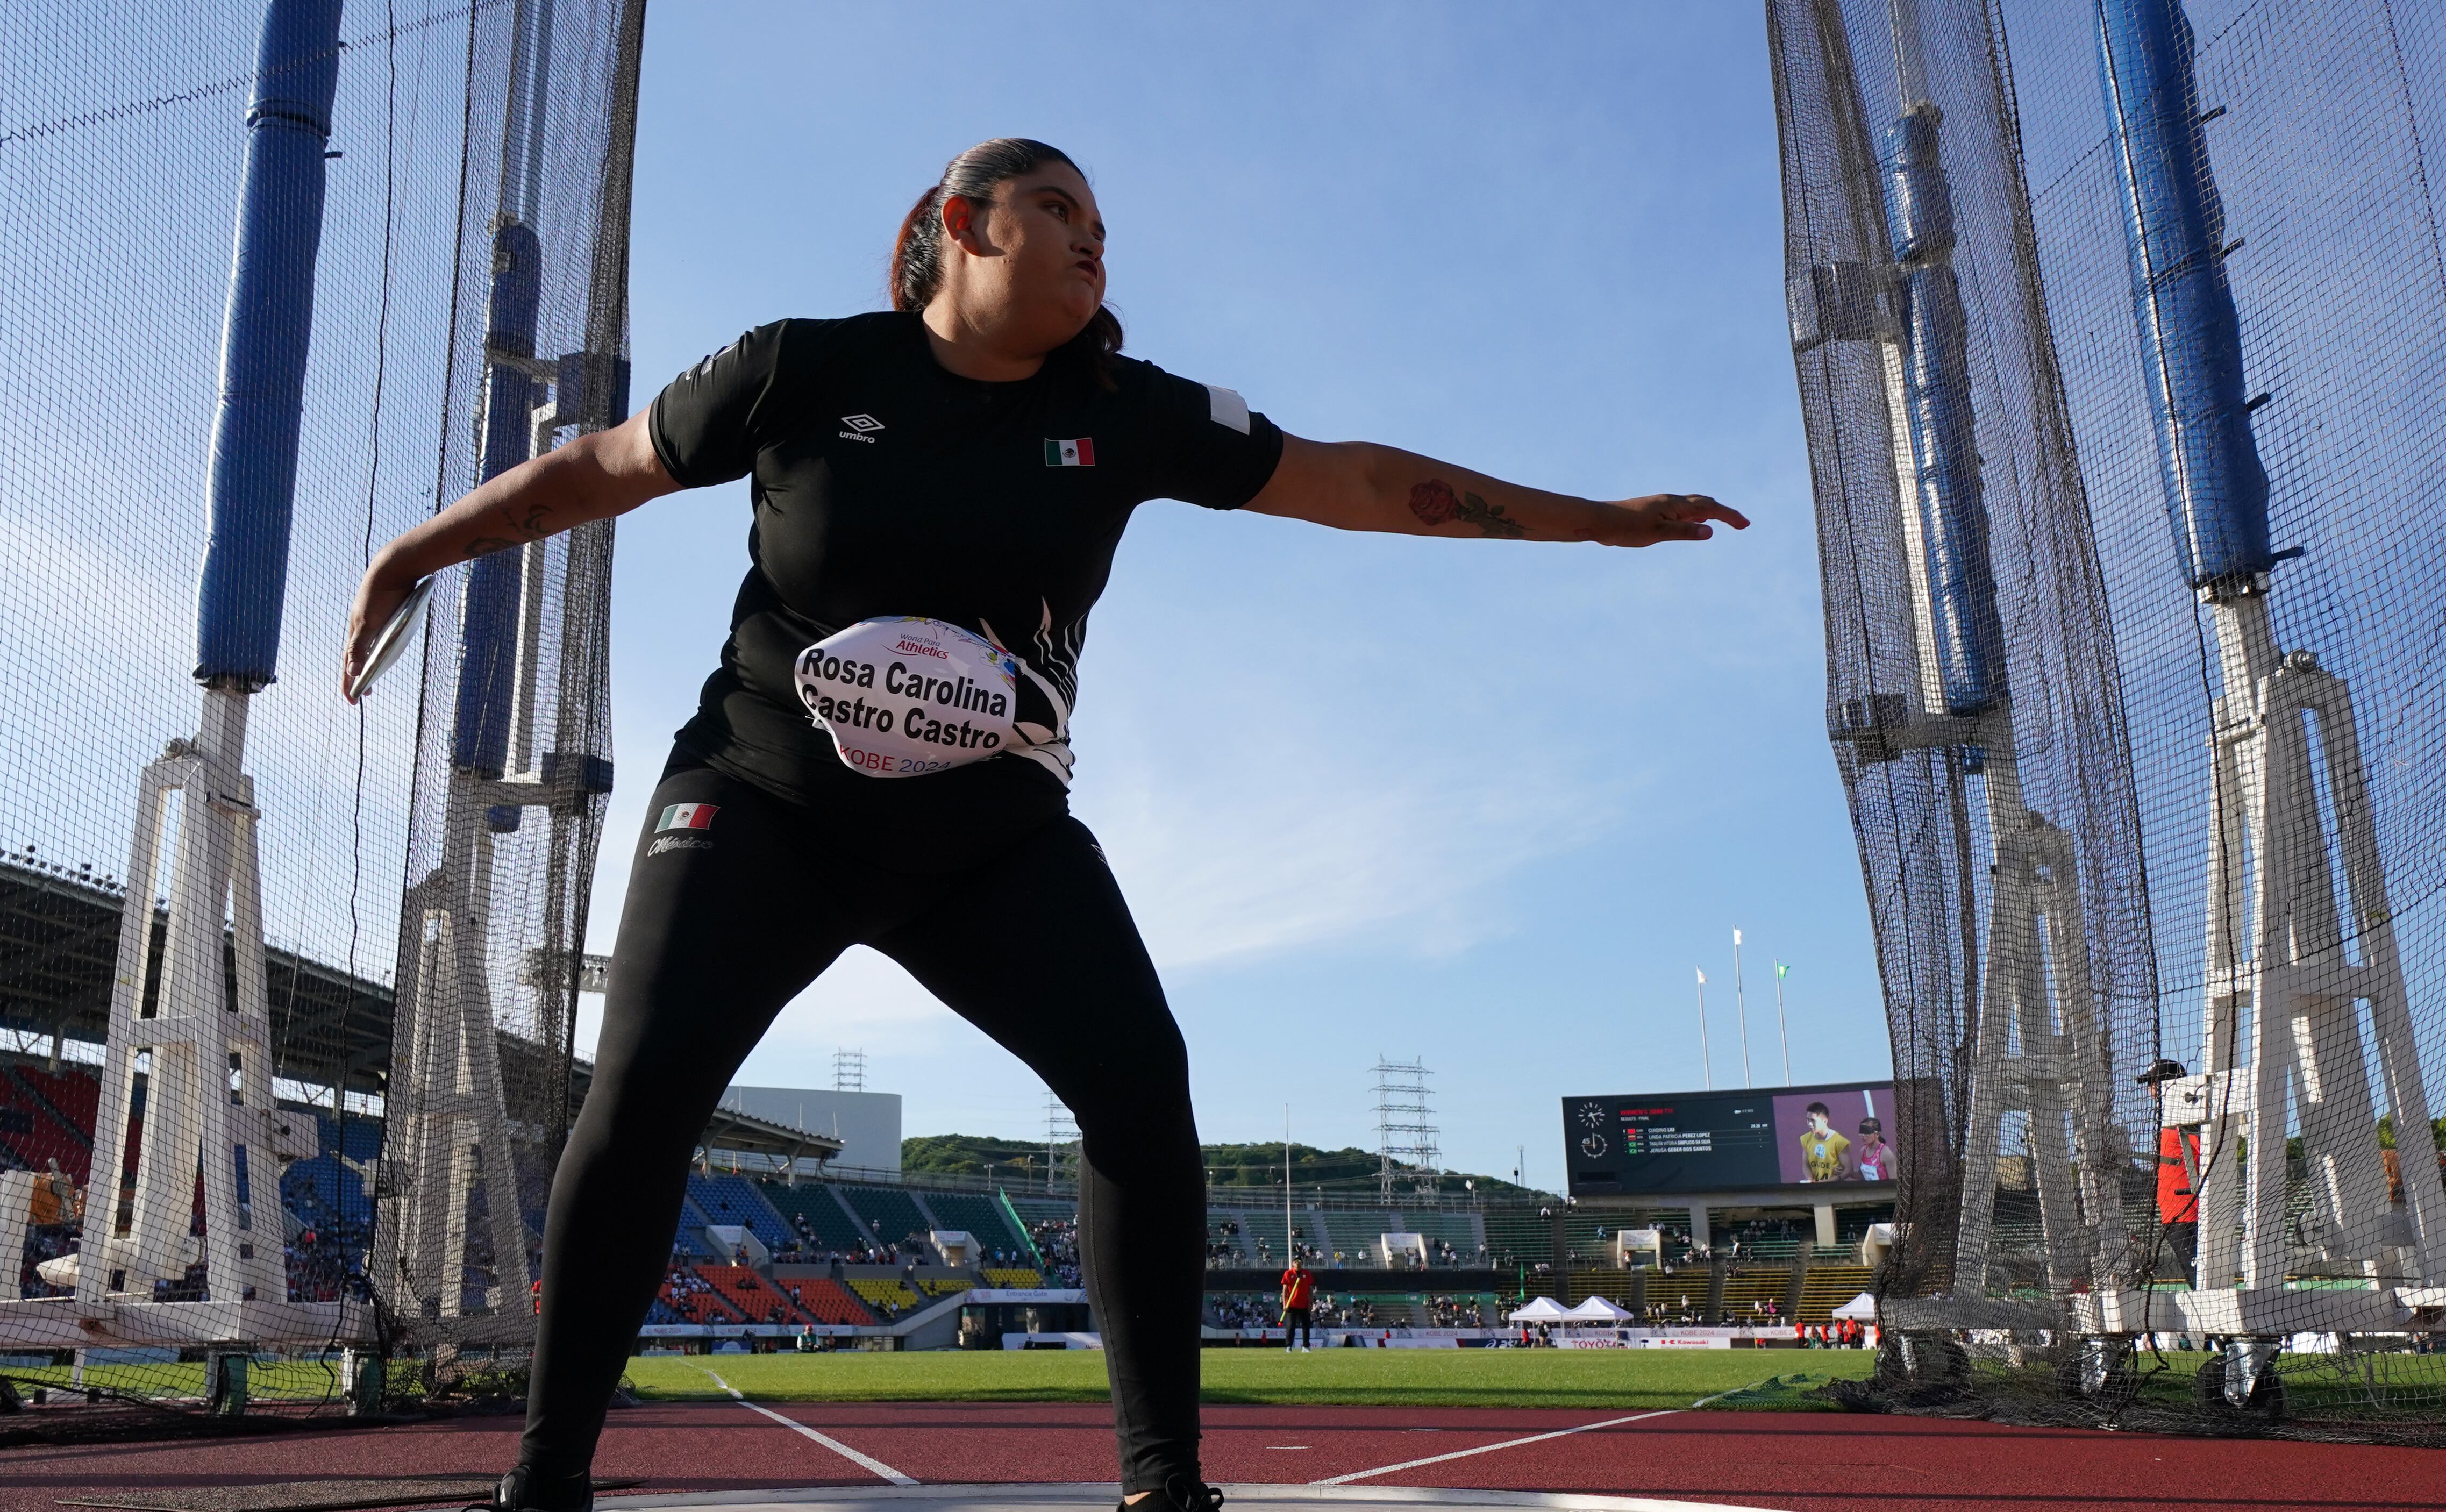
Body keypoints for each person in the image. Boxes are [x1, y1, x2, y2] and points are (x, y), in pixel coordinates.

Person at [341, 138, 1743, 1512]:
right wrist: (416, 548)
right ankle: (544, 1477)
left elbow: (1360, 480)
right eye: (1060, 208)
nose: (1095, 239)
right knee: (642, 1092)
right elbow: (597, 467)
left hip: (990, 840)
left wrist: (1596, 523)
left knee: (1142, 1084)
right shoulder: (804, 367)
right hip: (760, 799)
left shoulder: (1124, 407)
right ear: (963, 222)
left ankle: (1161, 1484)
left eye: (1103, 226)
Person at [1798, 1102, 1850, 1182]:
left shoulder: (1840, 1142)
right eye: (1808, 1120)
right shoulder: (1805, 1139)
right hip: (1816, 1188)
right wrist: (1810, 1180)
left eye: (1813, 1121)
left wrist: (1828, 1182)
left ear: (1825, 1121)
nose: (1809, 1124)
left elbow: (1848, 1170)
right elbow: (1806, 1165)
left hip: (1834, 1188)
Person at [1279, 1256, 1316, 1352]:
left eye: (1299, 1261)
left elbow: (1310, 1290)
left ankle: (1306, 1347)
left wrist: (1310, 1303)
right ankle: (1289, 1346)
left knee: (1306, 1326)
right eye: (1296, 1261)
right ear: (1293, 1263)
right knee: (1291, 1327)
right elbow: (1285, 1290)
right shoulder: (1288, 1273)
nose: (1298, 1263)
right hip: (1292, 1305)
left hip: (1304, 1304)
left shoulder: (1307, 1274)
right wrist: (1284, 1304)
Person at [1851, 1116, 1896, 1183]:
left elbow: (1894, 1181)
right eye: (1861, 1132)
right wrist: (1847, 1172)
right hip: (1869, 1192)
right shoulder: (1863, 1151)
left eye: (1866, 1132)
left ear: (1877, 1134)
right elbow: (1861, 1175)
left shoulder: (1886, 1154)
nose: (1863, 1136)